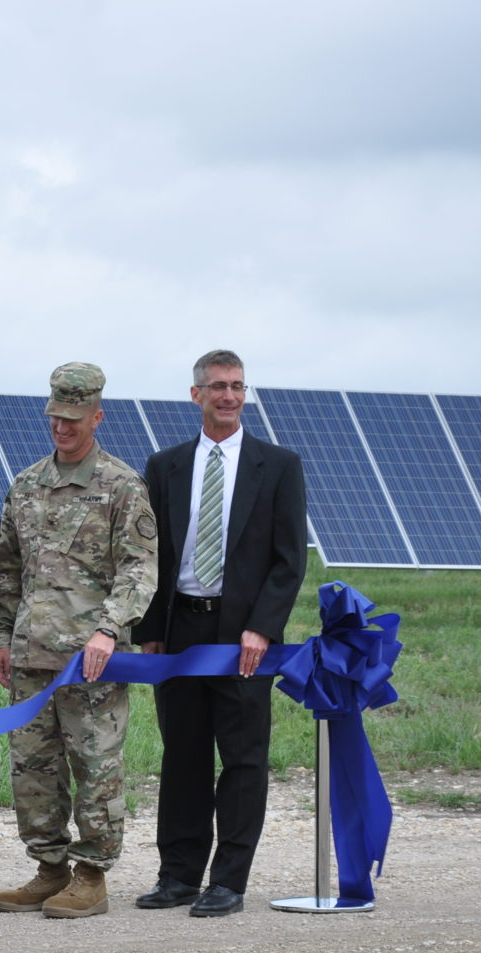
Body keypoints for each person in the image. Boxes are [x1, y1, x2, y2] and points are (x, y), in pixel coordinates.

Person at [131, 349, 308, 918]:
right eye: (217, 387)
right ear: (196, 395)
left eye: (237, 386)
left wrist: (262, 628)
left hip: (242, 638)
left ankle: (228, 880)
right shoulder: (165, 467)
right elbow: (151, 557)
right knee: (182, 756)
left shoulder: (277, 465)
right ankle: (178, 876)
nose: (228, 396)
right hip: (180, 631)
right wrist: (150, 631)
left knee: (242, 758)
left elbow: (288, 560)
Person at [0, 362, 158, 919]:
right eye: (56, 417)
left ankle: (91, 875)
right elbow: (4, 571)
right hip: (31, 660)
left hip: (91, 665)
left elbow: (139, 568)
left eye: (74, 419)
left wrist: (108, 630)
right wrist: (2, 638)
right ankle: (49, 869)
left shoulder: (121, 486)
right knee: (33, 771)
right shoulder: (27, 484)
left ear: (97, 416)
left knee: (95, 768)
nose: (63, 427)